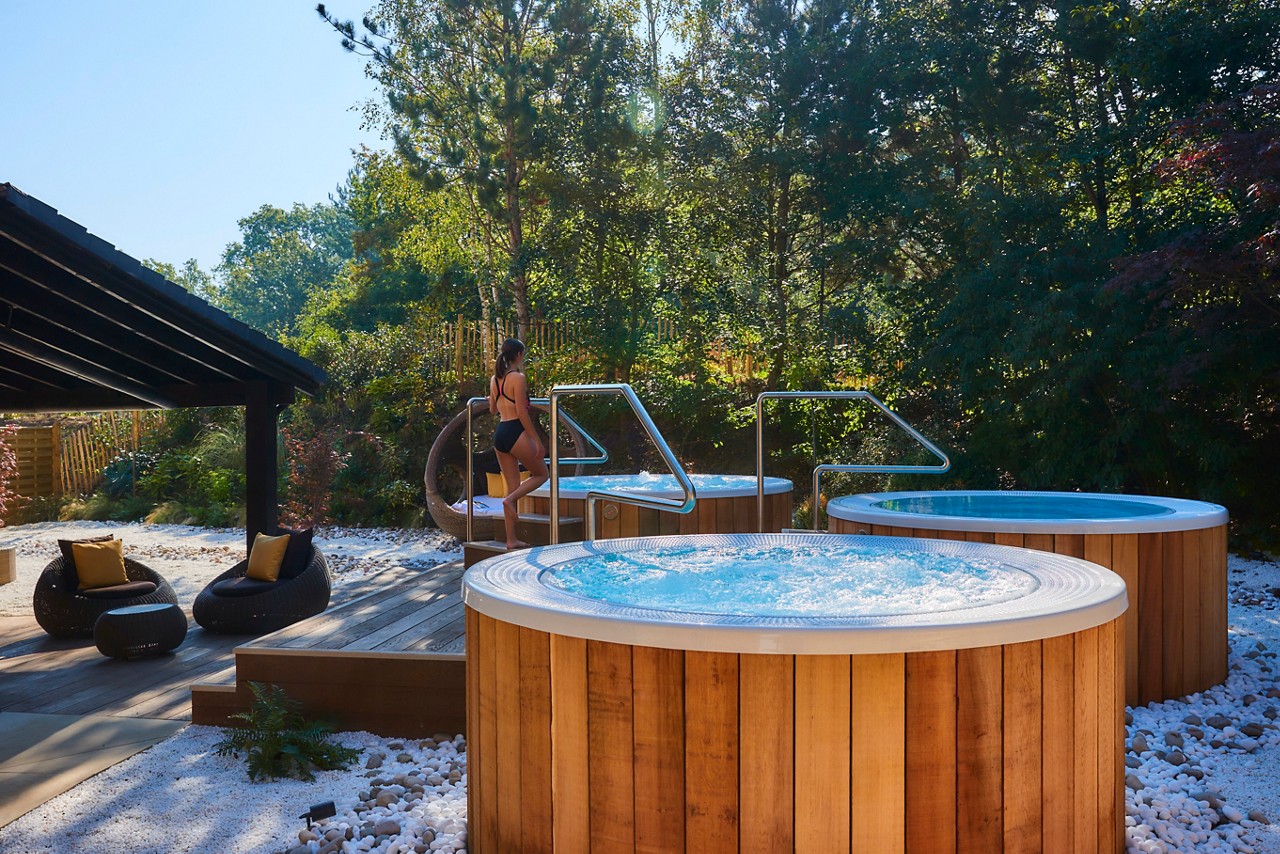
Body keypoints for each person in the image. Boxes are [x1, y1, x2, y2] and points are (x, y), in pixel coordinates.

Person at [488, 338, 549, 549]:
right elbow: (522, 413)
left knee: (511, 486)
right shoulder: (518, 378)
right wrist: (537, 441)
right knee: (542, 474)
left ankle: (511, 540)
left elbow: (492, 410)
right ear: (519, 355)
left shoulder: (495, 379)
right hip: (515, 430)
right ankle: (509, 500)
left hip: (500, 433)